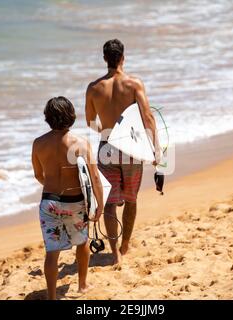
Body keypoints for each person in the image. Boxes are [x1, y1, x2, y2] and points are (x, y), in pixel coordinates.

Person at [85, 39, 160, 264]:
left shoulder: (93, 88)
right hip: (132, 147)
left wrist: (107, 132)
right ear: (123, 57)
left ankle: (115, 252)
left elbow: (90, 122)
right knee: (131, 199)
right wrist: (156, 150)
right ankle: (126, 242)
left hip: (107, 146)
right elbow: (148, 117)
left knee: (109, 203)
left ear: (105, 59)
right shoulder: (134, 84)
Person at [32, 96, 103, 300]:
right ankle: (82, 285)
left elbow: (38, 175)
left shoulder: (38, 144)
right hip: (76, 203)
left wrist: (53, 187)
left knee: (52, 251)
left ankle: (52, 296)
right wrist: (99, 204)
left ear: (47, 118)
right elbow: (94, 177)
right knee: (82, 243)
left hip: (49, 202)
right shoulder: (81, 142)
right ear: (71, 115)